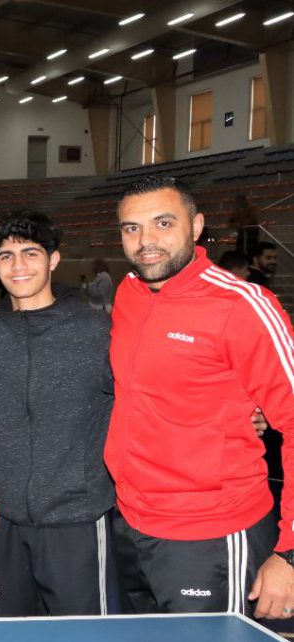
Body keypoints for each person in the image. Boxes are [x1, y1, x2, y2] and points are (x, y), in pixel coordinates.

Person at [110, 175, 294, 618]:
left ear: (196, 226)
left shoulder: (243, 305)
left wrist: (289, 553)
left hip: (210, 535)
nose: (146, 241)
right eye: (132, 228)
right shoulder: (128, 292)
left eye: (163, 223)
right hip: (132, 525)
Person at [0, 212, 115, 616]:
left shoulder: (97, 332)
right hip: (4, 521)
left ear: (53, 260)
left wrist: (242, 410)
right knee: (13, 632)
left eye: (30, 253)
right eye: (6, 256)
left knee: (82, 634)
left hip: (76, 519)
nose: (18, 265)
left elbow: (154, 393)